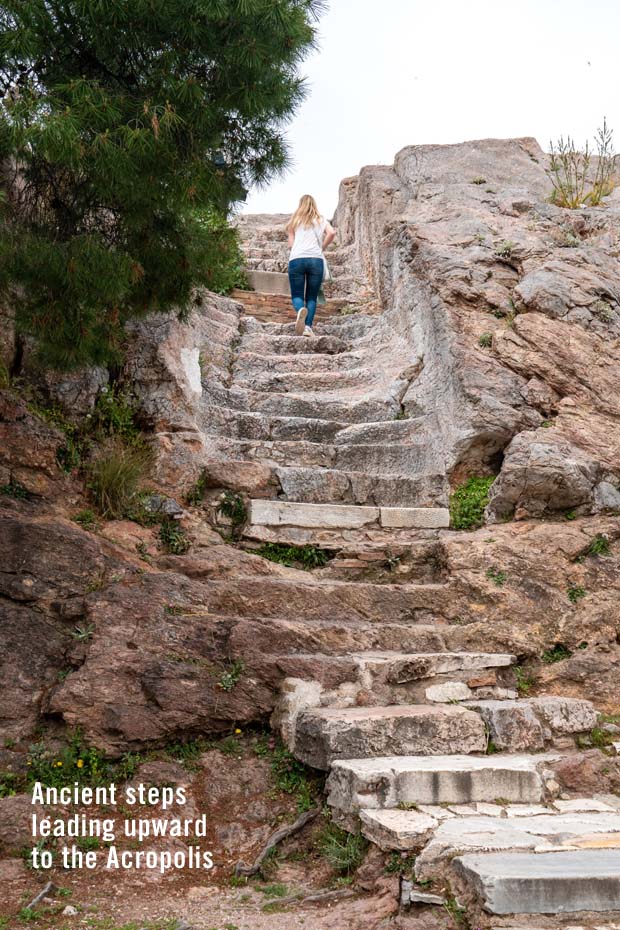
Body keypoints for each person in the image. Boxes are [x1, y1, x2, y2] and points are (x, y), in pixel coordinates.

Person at [287, 195, 335, 336]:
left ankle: (300, 311)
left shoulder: (294, 221)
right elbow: (332, 232)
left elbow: (291, 244)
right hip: (316, 260)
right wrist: (322, 247)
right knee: (312, 297)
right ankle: (308, 327)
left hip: (296, 259)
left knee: (297, 294)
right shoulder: (320, 219)